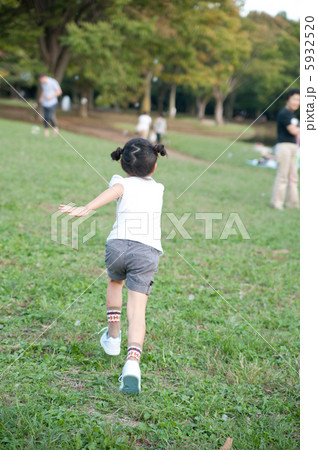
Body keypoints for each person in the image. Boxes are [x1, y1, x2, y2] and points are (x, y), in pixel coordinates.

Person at [59, 138, 168, 394]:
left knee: (114, 282)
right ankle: (132, 363)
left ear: (122, 161)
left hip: (117, 246)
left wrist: (86, 208)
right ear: (154, 167)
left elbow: (116, 191)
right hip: (147, 250)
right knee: (137, 310)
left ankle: (113, 336)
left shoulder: (120, 181)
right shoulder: (159, 188)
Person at [270, 88, 300, 210]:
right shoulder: (285, 113)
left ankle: (292, 204)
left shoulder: (293, 115)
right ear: (287, 99)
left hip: (293, 147)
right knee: (283, 176)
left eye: (299, 100)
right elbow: (293, 131)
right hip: (284, 147)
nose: (296, 102)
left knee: (293, 177)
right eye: (294, 99)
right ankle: (277, 203)